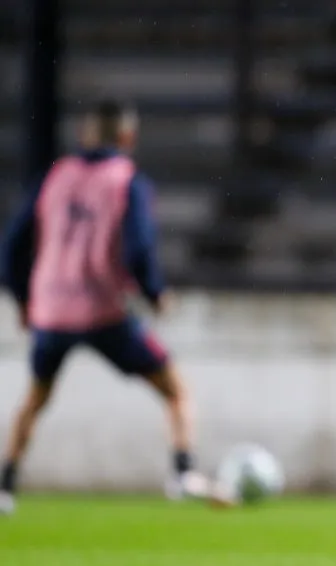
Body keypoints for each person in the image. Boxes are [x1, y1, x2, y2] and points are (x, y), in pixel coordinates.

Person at [0, 99, 206, 515]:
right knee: (175, 390)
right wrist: (155, 294)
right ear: (128, 137)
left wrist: (24, 299)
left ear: (85, 135)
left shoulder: (53, 177)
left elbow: (12, 246)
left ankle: (5, 484)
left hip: (51, 312)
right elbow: (138, 248)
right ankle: (183, 473)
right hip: (103, 312)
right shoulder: (127, 180)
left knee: (35, 398)